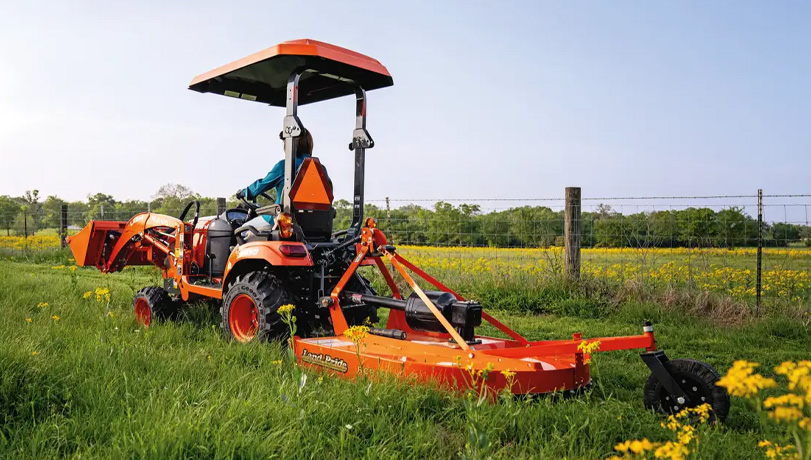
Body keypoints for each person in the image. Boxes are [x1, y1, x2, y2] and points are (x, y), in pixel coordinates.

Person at [236, 128, 331, 230]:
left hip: (282, 221)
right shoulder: (320, 169)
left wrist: (244, 192)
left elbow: (260, 186)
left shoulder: (285, 166)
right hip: (314, 225)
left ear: (290, 144)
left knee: (243, 230)